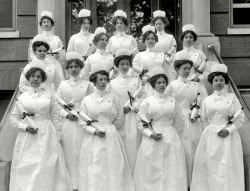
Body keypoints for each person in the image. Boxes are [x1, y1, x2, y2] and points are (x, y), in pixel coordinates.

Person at [10, 67, 72, 191]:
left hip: (47, 133)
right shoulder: (22, 98)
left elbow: (55, 115)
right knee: (28, 164)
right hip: (28, 135)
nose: (35, 79)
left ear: (42, 79)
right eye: (33, 76)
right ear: (28, 78)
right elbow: (14, 118)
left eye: (39, 77)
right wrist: (25, 127)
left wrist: (58, 135)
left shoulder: (49, 94)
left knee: (46, 163)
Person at [78, 69, 135, 191]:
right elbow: (82, 121)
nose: (104, 82)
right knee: (96, 164)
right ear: (94, 81)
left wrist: (109, 127)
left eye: (105, 79)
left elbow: (120, 118)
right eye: (100, 79)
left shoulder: (114, 98)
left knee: (113, 163)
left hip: (111, 135)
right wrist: (94, 130)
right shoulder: (87, 100)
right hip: (93, 136)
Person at [191, 64, 244, 191]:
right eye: (216, 80)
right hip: (211, 136)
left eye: (221, 80)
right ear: (212, 82)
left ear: (225, 81)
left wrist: (228, 130)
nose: (218, 83)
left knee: (227, 165)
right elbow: (203, 119)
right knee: (211, 165)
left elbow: (240, 118)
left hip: (229, 136)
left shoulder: (232, 98)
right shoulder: (207, 100)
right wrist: (209, 132)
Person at [134, 67, 187, 191]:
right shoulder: (147, 102)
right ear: (153, 85)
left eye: (164, 82)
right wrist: (150, 134)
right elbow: (141, 123)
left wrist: (171, 133)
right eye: (159, 82)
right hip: (152, 137)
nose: (162, 85)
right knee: (152, 165)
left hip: (170, 136)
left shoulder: (173, 101)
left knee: (171, 165)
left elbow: (179, 121)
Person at [166, 52, 207, 187]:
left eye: (189, 69)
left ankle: (194, 182)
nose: (187, 71)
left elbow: (199, 102)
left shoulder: (195, 85)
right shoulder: (172, 85)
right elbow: (168, 103)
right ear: (177, 70)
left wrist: (196, 112)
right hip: (178, 120)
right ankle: (181, 182)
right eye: (184, 68)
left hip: (192, 119)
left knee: (194, 148)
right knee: (181, 149)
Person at [56, 51, 93, 190]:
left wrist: (81, 113)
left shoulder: (87, 84)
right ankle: (70, 184)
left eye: (76, 66)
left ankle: (83, 183)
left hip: (82, 120)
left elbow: (91, 102)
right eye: (71, 67)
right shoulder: (62, 84)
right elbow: (57, 105)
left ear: (80, 68)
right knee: (68, 151)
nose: (73, 69)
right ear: (67, 69)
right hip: (67, 121)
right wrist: (66, 114)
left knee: (81, 150)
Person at [109, 48, 145, 172]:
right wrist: (119, 110)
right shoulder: (112, 83)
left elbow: (143, 98)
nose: (124, 66)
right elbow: (110, 101)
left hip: (133, 116)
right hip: (119, 118)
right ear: (117, 66)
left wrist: (132, 106)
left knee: (133, 144)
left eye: (127, 64)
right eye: (122, 64)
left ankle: (135, 172)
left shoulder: (136, 80)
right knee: (121, 144)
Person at [132, 25, 174, 96]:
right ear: (144, 41)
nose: (150, 40)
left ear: (156, 40)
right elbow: (134, 72)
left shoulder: (162, 55)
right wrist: (145, 79)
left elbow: (167, 72)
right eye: (148, 39)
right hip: (144, 86)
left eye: (152, 38)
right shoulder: (139, 55)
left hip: (159, 86)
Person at [175, 24, 209, 95]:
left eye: (190, 37)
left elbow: (207, 71)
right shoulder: (178, 54)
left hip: (196, 83)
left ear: (194, 39)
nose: (188, 39)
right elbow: (174, 72)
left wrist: (199, 78)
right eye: (186, 37)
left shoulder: (199, 53)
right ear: (182, 39)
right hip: (181, 84)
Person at [30, 10, 65, 80]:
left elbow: (62, 55)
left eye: (48, 22)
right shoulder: (37, 38)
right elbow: (32, 53)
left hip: (54, 65)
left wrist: (57, 59)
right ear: (41, 25)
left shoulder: (57, 39)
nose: (46, 24)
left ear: (51, 24)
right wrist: (37, 61)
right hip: (40, 64)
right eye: (44, 22)